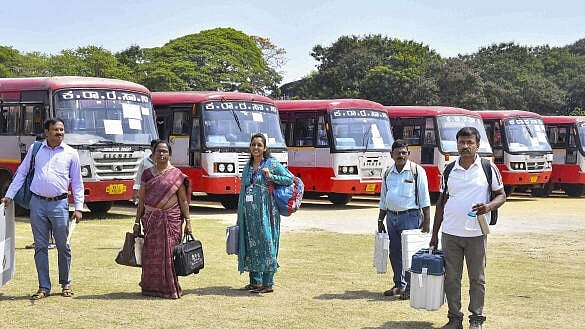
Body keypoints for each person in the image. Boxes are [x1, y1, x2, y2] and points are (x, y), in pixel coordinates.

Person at [430, 127, 506, 329]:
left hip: (476, 233)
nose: (465, 146)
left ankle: (476, 320)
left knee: (477, 279)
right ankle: (455, 319)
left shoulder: (487, 167)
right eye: (462, 142)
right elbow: (441, 203)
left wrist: (488, 207)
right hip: (450, 233)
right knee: (452, 279)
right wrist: (434, 234)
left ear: (477, 144)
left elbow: (501, 195)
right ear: (456, 145)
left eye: (469, 142)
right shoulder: (448, 169)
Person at [1, 118, 84, 300]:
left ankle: (66, 283)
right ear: (47, 132)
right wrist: (9, 195)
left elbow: (77, 182)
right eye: (55, 130)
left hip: (60, 205)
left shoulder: (71, 153)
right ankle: (44, 287)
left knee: (63, 246)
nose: (59, 133)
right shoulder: (36, 149)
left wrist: (78, 207)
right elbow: (22, 173)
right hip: (37, 204)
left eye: (62, 130)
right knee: (40, 247)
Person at [134, 140, 191, 299]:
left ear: (170, 155)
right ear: (152, 154)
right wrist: (137, 221)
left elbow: (183, 201)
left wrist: (188, 222)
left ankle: (170, 289)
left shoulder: (176, 175)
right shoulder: (147, 174)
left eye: (165, 151)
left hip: (171, 220)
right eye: (158, 151)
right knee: (151, 254)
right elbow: (142, 200)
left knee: (169, 255)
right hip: (152, 220)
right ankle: (151, 288)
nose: (161, 154)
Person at [236, 133, 293, 294]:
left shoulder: (272, 164)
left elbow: (289, 179)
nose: (256, 147)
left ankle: (268, 283)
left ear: (265, 148)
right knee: (251, 244)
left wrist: (271, 176)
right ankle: (255, 281)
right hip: (249, 214)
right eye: (253, 144)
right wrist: (240, 215)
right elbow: (243, 191)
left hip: (266, 213)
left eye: (259, 145)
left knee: (267, 244)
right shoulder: (247, 167)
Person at [377, 140, 431, 300]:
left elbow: (425, 197)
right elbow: (383, 198)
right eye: (398, 153)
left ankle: (410, 287)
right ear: (391, 155)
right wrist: (380, 220)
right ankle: (399, 285)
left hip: (410, 216)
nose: (401, 155)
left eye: (404, 152)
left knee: (409, 253)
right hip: (391, 217)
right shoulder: (387, 172)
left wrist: (427, 221)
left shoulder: (416, 171)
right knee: (394, 252)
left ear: (408, 154)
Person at [131, 139, 159, 203]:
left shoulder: (164, 162)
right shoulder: (144, 162)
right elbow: (138, 177)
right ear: (151, 148)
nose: (156, 150)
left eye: (158, 148)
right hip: (146, 192)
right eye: (154, 147)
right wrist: (135, 193)